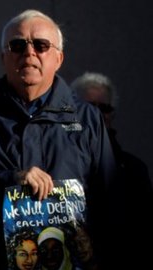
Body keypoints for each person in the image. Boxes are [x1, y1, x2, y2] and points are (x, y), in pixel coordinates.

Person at [0, 9, 117, 269]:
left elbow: (110, 198)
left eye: (41, 45)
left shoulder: (88, 119)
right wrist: (9, 180)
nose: (29, 53)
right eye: (18, 45)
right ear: (4, 57)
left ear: (59, 58)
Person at [71, 71, 153, 268]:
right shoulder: (60, 159)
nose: (97, 114)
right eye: (90, 106)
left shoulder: (133, 168)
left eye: (104, 108)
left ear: (112, 114)